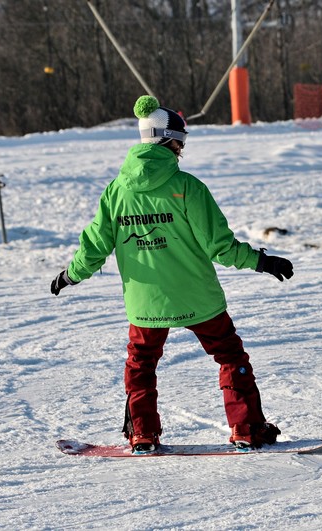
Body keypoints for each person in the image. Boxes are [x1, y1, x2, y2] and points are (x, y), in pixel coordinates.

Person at [50, 95, 294, 453]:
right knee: (229, 356)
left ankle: (142, 435)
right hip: (197, 297)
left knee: (141, 364)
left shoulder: (116, 193)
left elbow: (94, 246)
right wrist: (262, 262)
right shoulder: (188, 188)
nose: (182, 149)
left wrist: (71, 275)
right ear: (167, 139)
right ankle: (246, 428)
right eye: (181, 141)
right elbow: (220, 246)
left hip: (146, 302)